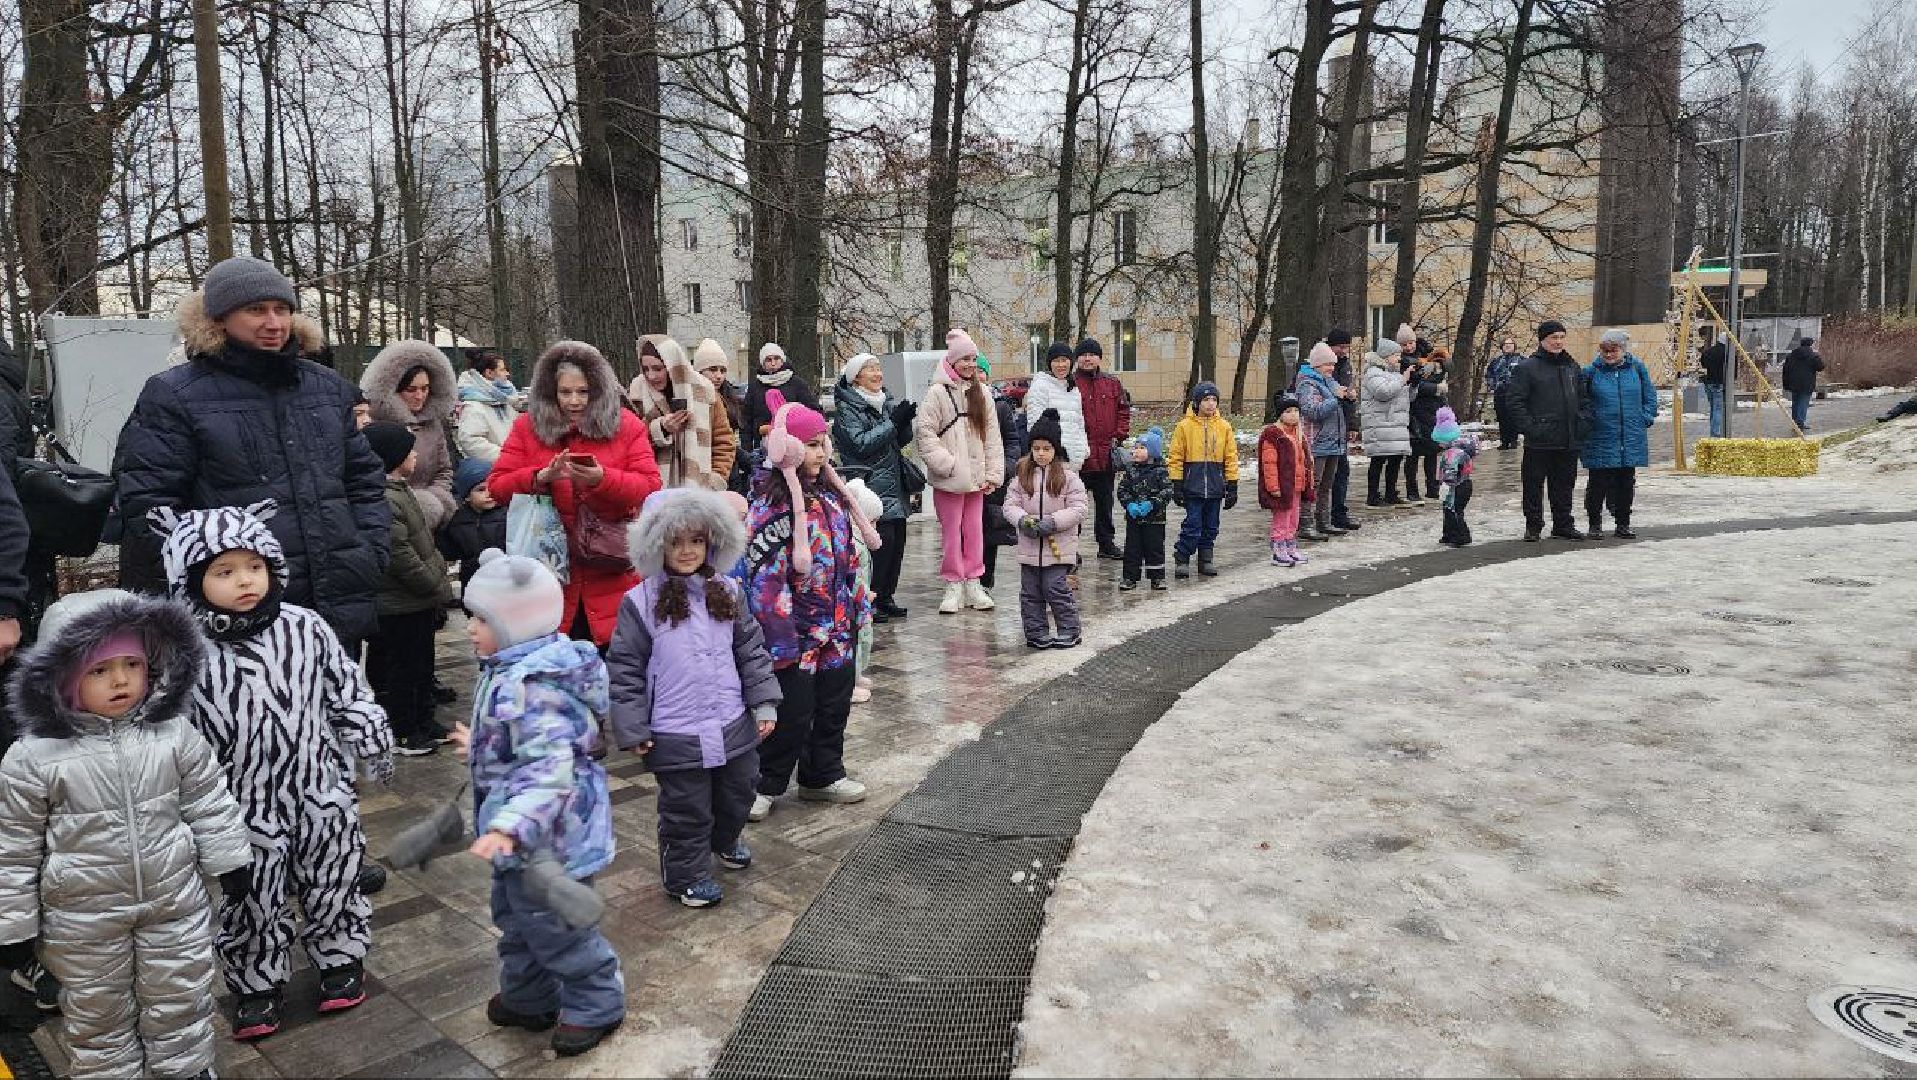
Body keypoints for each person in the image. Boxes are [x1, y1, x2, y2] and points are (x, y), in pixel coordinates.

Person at [150, 502, 393, 1041]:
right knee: (251, 897)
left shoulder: (304, 627)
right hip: (239, 802)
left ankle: (340, 953)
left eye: (255, 567)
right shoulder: (180, 652)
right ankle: (256, 978)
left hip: (318, 786)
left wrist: (369, 735)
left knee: (334, 875)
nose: (245, 581)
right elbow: (166, 730)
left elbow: (345, 689)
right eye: (224, 571)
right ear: (189, 578)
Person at [0, 589, 252, 1079]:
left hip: (172, 903)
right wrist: (14, 927)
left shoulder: (173, 734)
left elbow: (207, 798)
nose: (120, 680)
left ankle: (186, 1069)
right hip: (83, 922)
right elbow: (13, 848)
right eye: (99, 670)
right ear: (61, 675)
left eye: (131, 665)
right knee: (98, 1017)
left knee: (181, 996)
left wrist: (230, 858)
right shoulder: (33, 758)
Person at [116, 255, 390, 649]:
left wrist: (370, 550)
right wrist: (208, 583)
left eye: (282, 309)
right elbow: (151, 506)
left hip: (337, 601)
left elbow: (364, 480)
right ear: (219, 319)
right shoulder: (175, 395)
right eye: (256, 310)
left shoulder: (326, 388)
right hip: (237, 614)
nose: (274, 323)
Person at [449, 550, 624, 1058]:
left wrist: (510, 825)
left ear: (517, 622)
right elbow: (519, 744)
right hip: (523, 842)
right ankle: (530, 998)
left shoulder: (535, 687)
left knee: (559, 930)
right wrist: (482, 744)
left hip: (553, 842)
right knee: (516, 919)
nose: (470, 628)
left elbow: (549, 771)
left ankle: (596, 1003)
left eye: (482, 619)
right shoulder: (509, 669)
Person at [608, 488, 780, 909]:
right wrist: (633, 726)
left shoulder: (728, 591)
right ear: (656, 545)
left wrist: (763, 701)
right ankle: (685, 875)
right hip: (675, 729)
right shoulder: (640, 602)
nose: (687, 551)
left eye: (696, 540)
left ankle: (724, 839)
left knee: (740, 790)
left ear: (713, 541)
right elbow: (625, 668)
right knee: (687, 808)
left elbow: (751, 650)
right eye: (676, 541)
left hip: (731, 721)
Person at [743, 396, 880, 822]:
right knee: (792, 711)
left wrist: (857, 605)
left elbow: (848, 558)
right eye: (812, 444)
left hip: (836, 627)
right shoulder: (772, 504)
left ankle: (822, 774)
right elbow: (764, 577)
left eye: (824, 443)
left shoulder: (831, 498)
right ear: (788, 448)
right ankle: (764, 782)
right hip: (796, 634)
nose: (822, 453)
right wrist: (778, 635)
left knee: (833, 705)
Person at [488, 341, 662, 649]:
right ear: (550, 391)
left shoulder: (627, 426)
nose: (574, 401)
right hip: (548, 575)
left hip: (611, 568)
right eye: (565, 392)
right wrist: (540, 477)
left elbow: (649, 485)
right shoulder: (527, 428)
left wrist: (602, 480)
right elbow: (497, 486)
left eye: (583, 392)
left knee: (615, 666)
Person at [361, 422, 454, 753]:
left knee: (421, 666)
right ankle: (403, 729)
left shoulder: (401, 491)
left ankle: (423, 719)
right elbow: (400, 553)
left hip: (417, 601)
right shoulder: (384, 498)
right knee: (402, 669)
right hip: (401, 602)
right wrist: (430, 580)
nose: (415, 454)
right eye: (408, 450)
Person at [913, 330, 1004, 615]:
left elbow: (992, 435)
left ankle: (974, 581)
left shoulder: (982, 393)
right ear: (952, 360)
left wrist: (993, 472)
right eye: (965, 359)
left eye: (973, 359)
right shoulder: (937, 393)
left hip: (977, 478)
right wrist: (946, 464)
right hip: (950, 477)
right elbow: (925, 433)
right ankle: (953, 583)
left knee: (975, 531)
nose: (970, 364)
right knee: (951, 532)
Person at [831, 352, 910, 621]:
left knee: (897, 541)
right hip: (869, 482)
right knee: (879, 543)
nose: (878, 374)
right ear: (856, 377)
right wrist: (892, 423)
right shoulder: (847, 409)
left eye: (878, 368)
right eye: (870, 369)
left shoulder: (885, 401)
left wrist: (904, 422)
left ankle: (886, 595)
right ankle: (870, 597)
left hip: (893, 481)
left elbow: (898, 440)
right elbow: (860, 444)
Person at [1003, 409, 1088, 649]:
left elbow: (1079, 508)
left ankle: (1070, 629)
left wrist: (1053, 522)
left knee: (1056, 589)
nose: (1041, 453)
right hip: (1029, 549)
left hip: (1058, 548)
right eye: (1036, 448)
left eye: (1046, 448)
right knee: (1030, 593)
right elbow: (1010, 505)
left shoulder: (1068, 478)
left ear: (1055, 450)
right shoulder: (1022, 476)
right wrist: (1022, 520)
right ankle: (1036, 632)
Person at [1507, 319, 1590, 542]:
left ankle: (1563, 524)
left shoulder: (1571, 366)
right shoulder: (1527, 367)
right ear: (1543, 340)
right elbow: (1515, 402)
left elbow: (1584, 398)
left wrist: (1583, 421)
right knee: (1533, 486)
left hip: (1568, 437)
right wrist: (1530, 428)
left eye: (1562, 337)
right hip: (1539, 439)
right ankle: (1533, 525)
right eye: (1554, 337)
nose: (1558, 342)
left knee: (1564, 485)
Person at [361, 340, 458, 530]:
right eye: (411, 390)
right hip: (391, 518)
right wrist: (410, 505)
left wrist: (435, 499)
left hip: (435, 514)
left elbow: (444, 470)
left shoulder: (434, 423)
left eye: (425, 388)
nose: (420, 396)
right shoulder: (375, 426)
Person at [1580, 328, 1658, 540]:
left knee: (1626, 481)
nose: (1608, 354)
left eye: (1613, 350)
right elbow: (1582, 402)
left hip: (1630, 435)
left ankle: (1623, 523)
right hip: (1601, 435)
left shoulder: (1637, 368)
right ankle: (1594, 524)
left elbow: (1650, 396)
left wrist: (1645, 417)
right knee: (1598, 482)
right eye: (1604, 350)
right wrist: (1589, 421)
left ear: (1623, 349)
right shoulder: (1591, 372)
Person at [630, 335, 735, 491]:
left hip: (699, 490)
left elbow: (724, 440)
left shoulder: (705, 390)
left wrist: (715, 479)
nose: (651, 376)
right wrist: (661, 429)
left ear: (672, 364)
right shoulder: (637, 393)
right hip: (653, 491)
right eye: (645, 369)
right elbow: (628, 442)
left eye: (658, 369)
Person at [1168, 381, 1238, 580]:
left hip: (1215, 486)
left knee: (1211, 525)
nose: (1210, 403)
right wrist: (1177, 483)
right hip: (1193, 486)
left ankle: (1206, 559)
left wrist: (1232, 484)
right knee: (1192, 525)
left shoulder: (1224, 427)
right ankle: (1182, 556)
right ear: (1197, 402)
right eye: (1206, 399)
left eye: (1214, 399)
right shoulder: (1184, 427)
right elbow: (1176, 456)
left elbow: (1231, 457)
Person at [1071, 338, 1131, 560]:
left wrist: (1119, 435)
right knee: (1074, 505)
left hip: (1106, 456)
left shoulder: (1112, 383)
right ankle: (1071, 547)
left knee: (1105, 504)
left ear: (1099, 358)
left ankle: (1106, 544)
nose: (1087, 359)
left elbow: (1123, 410)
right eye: (1083, 355)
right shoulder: (1070, 383)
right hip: (1080, 456)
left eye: (1092, 354)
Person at [1293, 342, 1350, 541]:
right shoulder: (1307, 384)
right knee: (1312, 484)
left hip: (1333, 441)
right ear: (1316, 365)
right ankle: (1305, 523)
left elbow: (1336, 402)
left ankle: (1323, 521)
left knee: (1327, 484)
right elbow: (1312, 411)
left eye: (1333, 364)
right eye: (1327, 364)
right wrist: (1336, 399)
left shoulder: (1329, 381)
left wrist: (1347, 396)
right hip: (1316, 442)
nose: (1332, 368)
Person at [980, 363, 1024, 595]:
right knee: (965, 532)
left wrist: (1006, 467)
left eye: (981, 371)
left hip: (994, 479)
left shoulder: (1000, 406)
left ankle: (985, 581)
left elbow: (1012, 441)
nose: (977, 375)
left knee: (990, 531)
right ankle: (964, 579)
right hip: (967, 480)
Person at [1258, 395, 1316, 568]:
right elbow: (1269, 463)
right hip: (1283, 486)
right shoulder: (1274, 435)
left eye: (1296, 411)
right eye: (1288, 411)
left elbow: (1305, 461)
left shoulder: (1299, 435)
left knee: (1293, 518)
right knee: (1282, 518)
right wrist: (1273, 487)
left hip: (1296, 486)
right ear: (1280, 414)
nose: (1293, 415)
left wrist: (1308, 481)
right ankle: (1278, 548)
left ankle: (1290, 545)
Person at [441, 458, 508, 593]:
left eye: (492, 486)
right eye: (481, 490)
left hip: (504, 578)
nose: (489, 493)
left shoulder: (506, 514)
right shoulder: (458, 520)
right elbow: (450, 550)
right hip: (473, 580)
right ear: (467, 496)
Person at [1116, 427, 1171, 591]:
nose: (1137, 451)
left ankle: (1157, 577)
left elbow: (1167, 492)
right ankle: (1130, 577)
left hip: (1155, 519)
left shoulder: (1160, 471)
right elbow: (1122, 490)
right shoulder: (1130, 470)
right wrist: (1129, 504)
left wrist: (1152, 504)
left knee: (1154, 548)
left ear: (1152, 452)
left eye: (1142, 448)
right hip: (1134, 519)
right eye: (1136, 447)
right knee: (1132, 549)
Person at [1360, 337, 1413, 507]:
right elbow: (1383, 392)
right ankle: (1372, 496)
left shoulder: (1395, 374)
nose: (1399, 358)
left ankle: (1391, 493)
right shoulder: (1373, 373)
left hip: (1395, 424)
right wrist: (1403, 380)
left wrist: (1413, 383)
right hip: (1379, 424)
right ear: (1385, 356)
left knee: (1396, 458)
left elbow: (1405, 396)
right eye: (1396, 355)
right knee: (1379, 459)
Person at [844, 480, 883, 703]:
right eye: (872, 522)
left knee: (865, 638)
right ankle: (849, 682)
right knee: (856, 641)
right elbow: (854, 575)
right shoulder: (853, 544)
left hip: (862, 600)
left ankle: (857, 675)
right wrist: (862, 593)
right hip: (855, 601)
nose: (875, 527)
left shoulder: (860, 542)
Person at [741, 342, 819, 453]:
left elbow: (813, 411)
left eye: (776, 358)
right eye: (768, 360)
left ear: (782, 360)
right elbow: (746, 420)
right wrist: (747, 451)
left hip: (794, 445)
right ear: (763, 363)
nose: (773, 363)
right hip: (763, 447)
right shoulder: (755, 387)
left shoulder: (796, 383)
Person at [1023, 344, 1091, 469]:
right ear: (1050, 364)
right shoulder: (1040, 386)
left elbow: (1079, 423)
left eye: (1064, 360)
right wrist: (1056, 452)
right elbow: (1035, 426)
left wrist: (1084, 449)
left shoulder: (1073, 388)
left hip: (1074, 459)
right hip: (1051, 461)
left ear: (1071, 362)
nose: (1061, 365)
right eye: (1056, 361)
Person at [455, 348, 526, 463]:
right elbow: (471, 441)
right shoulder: (473, 406)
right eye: (502, 370)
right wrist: (505, 456)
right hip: (495, 467)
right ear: (489, 373)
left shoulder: (503, 400)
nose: (507, 374)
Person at [1322, 328, 1361, 531]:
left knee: (1342, 471)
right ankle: (1320, 516)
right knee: (1324, 475)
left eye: (1347, 347)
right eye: (1341, 347)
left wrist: (1352, 424)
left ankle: (1339, 513)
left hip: (1341, 423)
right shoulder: (1322, 365)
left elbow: (1349, 394)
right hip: (1326, 427)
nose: (1344, 351)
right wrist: (1341, 394)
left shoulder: (1345, 365)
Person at [695, 340, 749, 489]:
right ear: (700, 371)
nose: (718, 376)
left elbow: (729, 439)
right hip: (705, 469)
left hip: (730, 469)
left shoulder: (730, 396)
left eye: (723, 370)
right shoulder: (693, 398)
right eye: (712, 370)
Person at [1405, 347, 1449, 505]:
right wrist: (1436, 388)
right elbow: (1415, 386)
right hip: (1416, 416)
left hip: (1432, 416)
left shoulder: (1440, 372)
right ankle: (1412, 491)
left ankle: (1432, 487)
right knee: (1413, 455)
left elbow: (1442, 394)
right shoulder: (1417, 367)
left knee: (1432, 453)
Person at [1434, 407, 1478, 547]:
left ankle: (1461, 535)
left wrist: (1443, 485)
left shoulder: (1452, 453)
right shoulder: (1460, 450)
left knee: (1453, 509)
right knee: (1450, 509)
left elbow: (1450, 472)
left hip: (1456, 486)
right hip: (1464, 483)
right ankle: (1449, 534)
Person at [1487, 336, 1525, 449]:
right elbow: (1489, 375)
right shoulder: (1496, 361)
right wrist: (1493, 386)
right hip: (1500, 394)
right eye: (1505, 344)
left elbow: (1528, 375)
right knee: (1502, 418)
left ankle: (1513, 441)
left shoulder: (1521, 360)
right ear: (1502, 347)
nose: (1508, 346)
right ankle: (1504, 441)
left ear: (1514, 346)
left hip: (1515, 394)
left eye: (1510, 344)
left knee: (1513, 417)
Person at [1782, 336, 1824, 433]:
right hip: (1807, 383)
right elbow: (1821, 367)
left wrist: (1786, 383)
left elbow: (1786, 369)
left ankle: (1795, 421)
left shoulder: (1792, 355)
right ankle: (1800, 422)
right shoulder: (1813, 355)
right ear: (1810, 344)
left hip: (1793, 382)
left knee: (1795, 402)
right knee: (1803, 402)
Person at [1698, 326, 1729, 438]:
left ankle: (1713, 430)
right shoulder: (1726, 353)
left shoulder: (1709, 352)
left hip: (1708, 382)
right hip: (1719, 383)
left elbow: (1703, 364)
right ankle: (1716, 432)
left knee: (1713, 408)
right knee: (1718, 409)